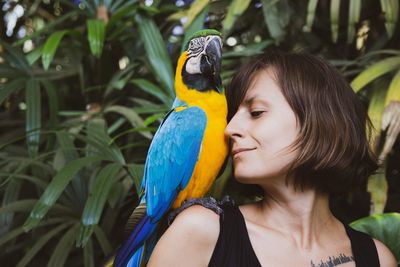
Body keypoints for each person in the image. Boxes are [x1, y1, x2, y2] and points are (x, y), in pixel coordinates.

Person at [147, 51, 397, 266]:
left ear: (321, 122)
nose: (229, 129)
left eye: (256, 113)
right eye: (232, 116)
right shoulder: (200, 230)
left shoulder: (378, 259)